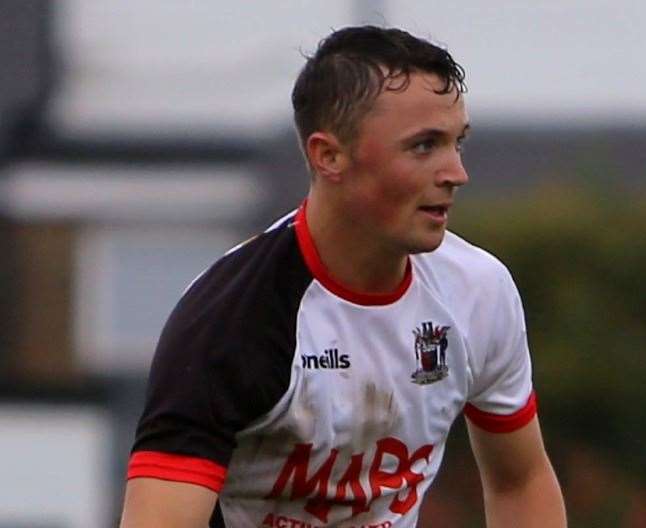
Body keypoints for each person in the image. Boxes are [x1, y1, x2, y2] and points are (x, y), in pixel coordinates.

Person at [120, 25, 567, 528]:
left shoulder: (479, 292)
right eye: (424, 146)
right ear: (328, 155)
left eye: (456, 143)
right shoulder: (229, 321)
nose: (455, 172)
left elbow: (520, 482)